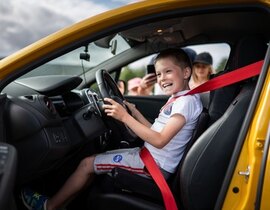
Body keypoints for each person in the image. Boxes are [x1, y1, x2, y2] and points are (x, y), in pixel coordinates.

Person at [21, 48, 203, 210]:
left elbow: (160, 140)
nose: (162, 78)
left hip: (152, 166)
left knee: (87, 164)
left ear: (186, 72)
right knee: (97, 161)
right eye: (159, 74)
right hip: (151, 158)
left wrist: (124, 117)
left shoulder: (185, 103)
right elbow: (154, 131)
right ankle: (64, 203)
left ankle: (50, 206)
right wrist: (134, 112)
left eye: (168, 72)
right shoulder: (179, 99)